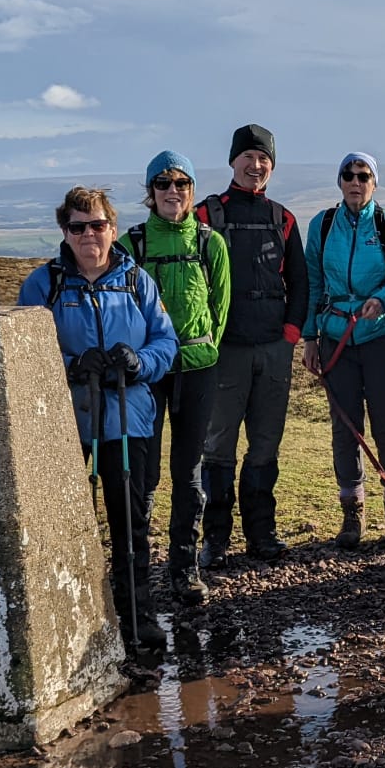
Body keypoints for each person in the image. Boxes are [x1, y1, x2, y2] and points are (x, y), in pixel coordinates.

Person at [19, 187, 180, 651]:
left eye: (96, 225)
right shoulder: (44, 285)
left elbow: (164, 344)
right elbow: (26, 350)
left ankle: (137, 613)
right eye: (77, 226)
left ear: (112, 227)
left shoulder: (137, 281)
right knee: (69, 521)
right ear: (64, 232)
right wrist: (69, 365)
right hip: (68, 421)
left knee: (131, 521)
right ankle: (72, 614)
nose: (88, 234)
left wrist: (138, 362)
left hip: (130, 420)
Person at [119, 151, 232, 607]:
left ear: (191, 190)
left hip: (199, 370)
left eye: (181, 184)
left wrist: (204, 349)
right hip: (147, 374)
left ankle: (185, 569)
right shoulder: (132, 245)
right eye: (163, 184)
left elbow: (221, 310)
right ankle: (138, 569)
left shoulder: (211, 244)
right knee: (144, 475)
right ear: (151, 192)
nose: (172, 191)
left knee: (187, 473)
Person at [194, 126, 308, 562]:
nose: (256, 166)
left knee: (265, 444)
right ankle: (216, 539)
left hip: (272, 349)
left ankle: (262, 534)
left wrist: (290, 336)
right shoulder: (206, 215)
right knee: (218, 445)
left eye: (264, 159)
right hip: (225, 351)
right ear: (233, 161)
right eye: (248, 157)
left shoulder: (283, 218)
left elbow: (299, 280)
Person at [302, 151, 385, 548]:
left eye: (363, 175)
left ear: (374, 182)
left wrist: (380, 300)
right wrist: (311, 337)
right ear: (340, 181)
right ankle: (352, 515)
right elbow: (313, 280)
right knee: (345, 430)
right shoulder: (323, 224)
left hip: (378, 337)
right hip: (335, 337)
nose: (355, 181)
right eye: (348, 175)